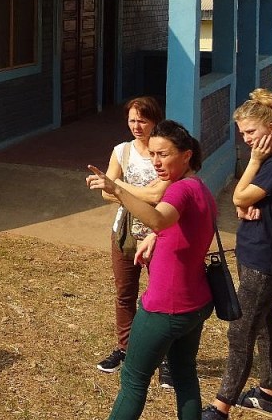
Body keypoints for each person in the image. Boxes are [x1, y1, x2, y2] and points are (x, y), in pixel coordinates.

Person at [87, 119, 216, 420]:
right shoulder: (199, 187)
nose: (156, 161)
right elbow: (180, 225)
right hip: (196, 303)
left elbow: (158, 218)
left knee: (133, 380)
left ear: (186, 155)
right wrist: (156, 237)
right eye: (153, 154)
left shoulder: (179, 191)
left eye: (164, 154)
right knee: (184, 373)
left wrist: (117, 189)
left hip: (166, 306)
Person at [201, 89, 272, 420]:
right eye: (242, 133)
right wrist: (245, 205)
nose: (246, 139)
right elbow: (243, 201)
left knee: (240, 331)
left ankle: (221, 408)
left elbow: (238, 197)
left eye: (251, 132)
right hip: (253, 255)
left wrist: (248, 184)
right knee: (264, 323)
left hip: (264, 261)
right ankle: (269, 394)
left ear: (271, 128)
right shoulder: (271, 163)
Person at [94, 97, 173, 390]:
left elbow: (157, 195)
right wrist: (123, 190)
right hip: (125, 232)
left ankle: (166, 359)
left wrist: (117, 186)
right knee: (124, 294)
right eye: (131, 120)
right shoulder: (122, 150)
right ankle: (125, 348)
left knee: (161, 299)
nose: (136, 126)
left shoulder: (163, 152)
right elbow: (105, 193)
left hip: (158, 233)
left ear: (155, 120)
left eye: (142, 120)